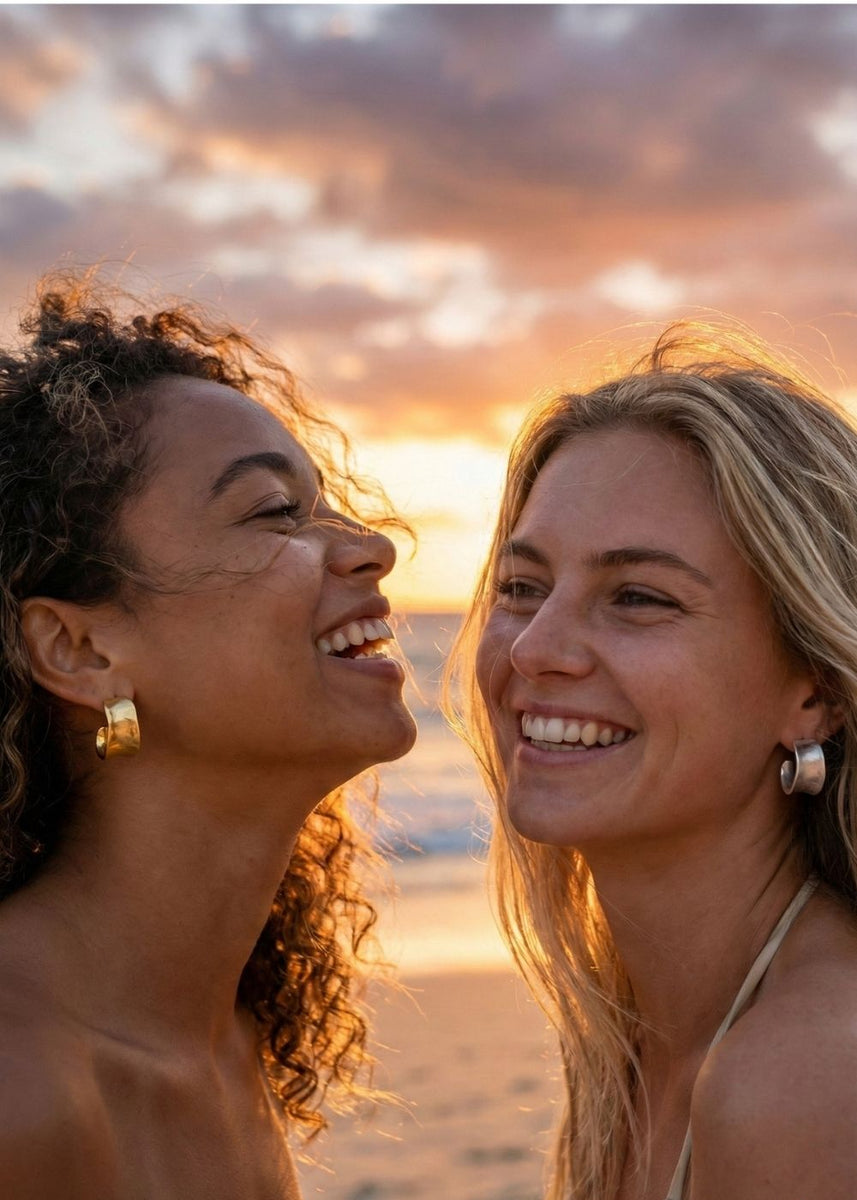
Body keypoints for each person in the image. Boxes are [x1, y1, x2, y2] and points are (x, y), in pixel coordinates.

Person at [0, 271, 416, 1198]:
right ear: (80, 649)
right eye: (276, 513)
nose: (369, 545)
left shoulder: (225, 1041)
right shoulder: (18, 1093)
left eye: (324, 503)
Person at [448, 325, 857, 1200]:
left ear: (813, 690)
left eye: (637, 597)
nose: (534, 650)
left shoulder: (807, 1080)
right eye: (522, 587)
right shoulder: (635, 1036)